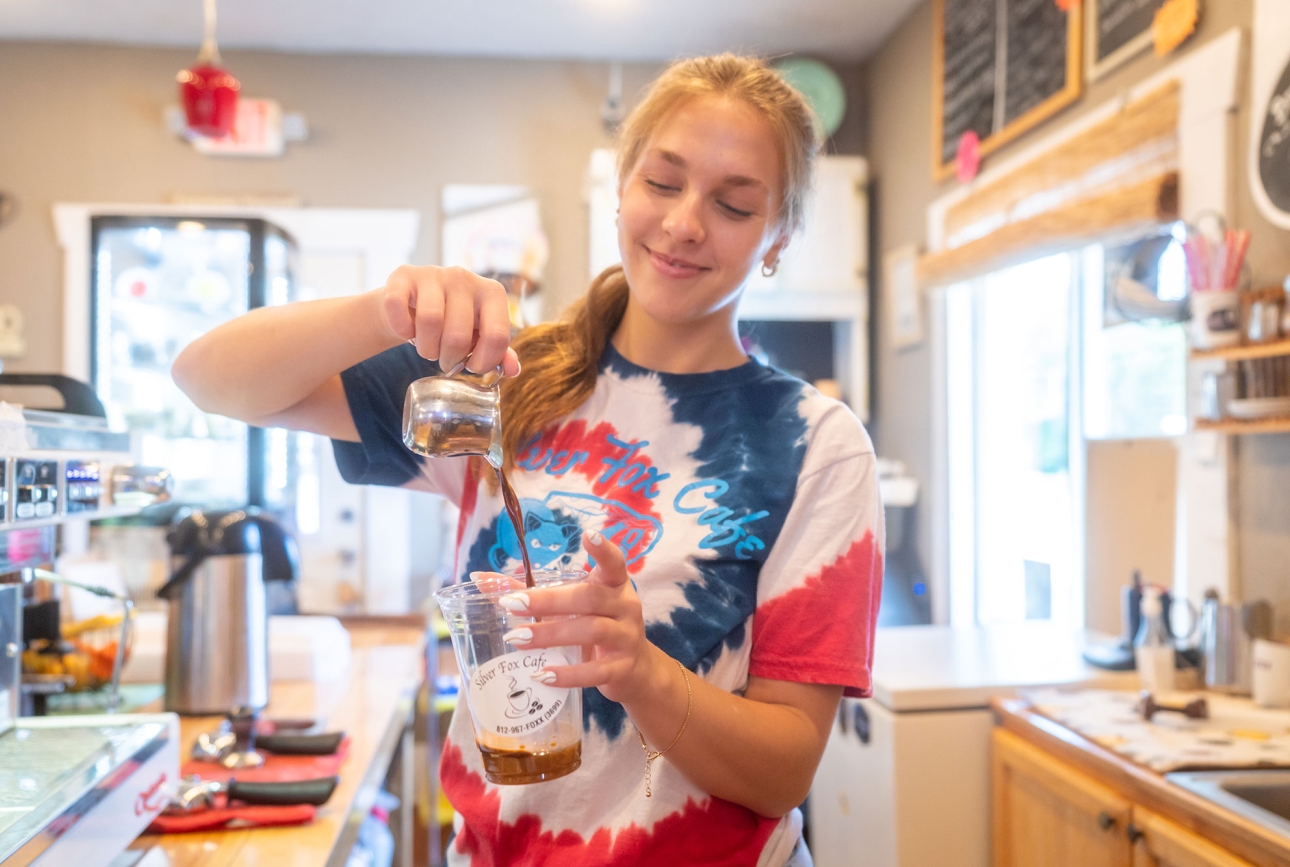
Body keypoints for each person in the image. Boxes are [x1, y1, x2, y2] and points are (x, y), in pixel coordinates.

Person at [174, 53, 883, 867]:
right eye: (662, 182)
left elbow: (784, 767)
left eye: (732, 203)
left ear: (778, 238)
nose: (686, 222)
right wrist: (384, 311)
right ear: (621, 188)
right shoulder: (502, 378)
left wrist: (639, 671)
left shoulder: (812, 442)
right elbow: (210, 379)